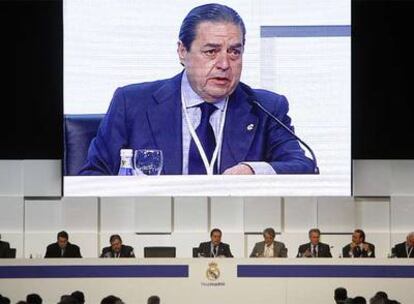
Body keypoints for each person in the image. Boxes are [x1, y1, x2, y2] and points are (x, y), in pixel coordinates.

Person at [79, 3, 316, 176]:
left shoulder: (266, 108)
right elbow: (93, 175)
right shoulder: (132, 104)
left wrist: (253, 171)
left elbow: (303, 166)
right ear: (182, 51)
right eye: (211, 51)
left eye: (234, 51)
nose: (224, 64)